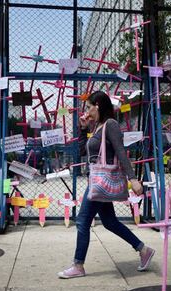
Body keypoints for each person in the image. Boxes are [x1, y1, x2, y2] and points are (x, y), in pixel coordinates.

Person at [58, 91, 155, 279]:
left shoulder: (110, 125)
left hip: (101, 180)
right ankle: (144, 250)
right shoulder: (97, 127)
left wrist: (133, 179)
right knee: (110, 222)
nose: (86, 111)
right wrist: (82, 129)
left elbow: (120, 152)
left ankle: (78, 265)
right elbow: (83, 152)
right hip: (98, 181)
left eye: (88, 107)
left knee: (82, 221)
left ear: (98, 106)